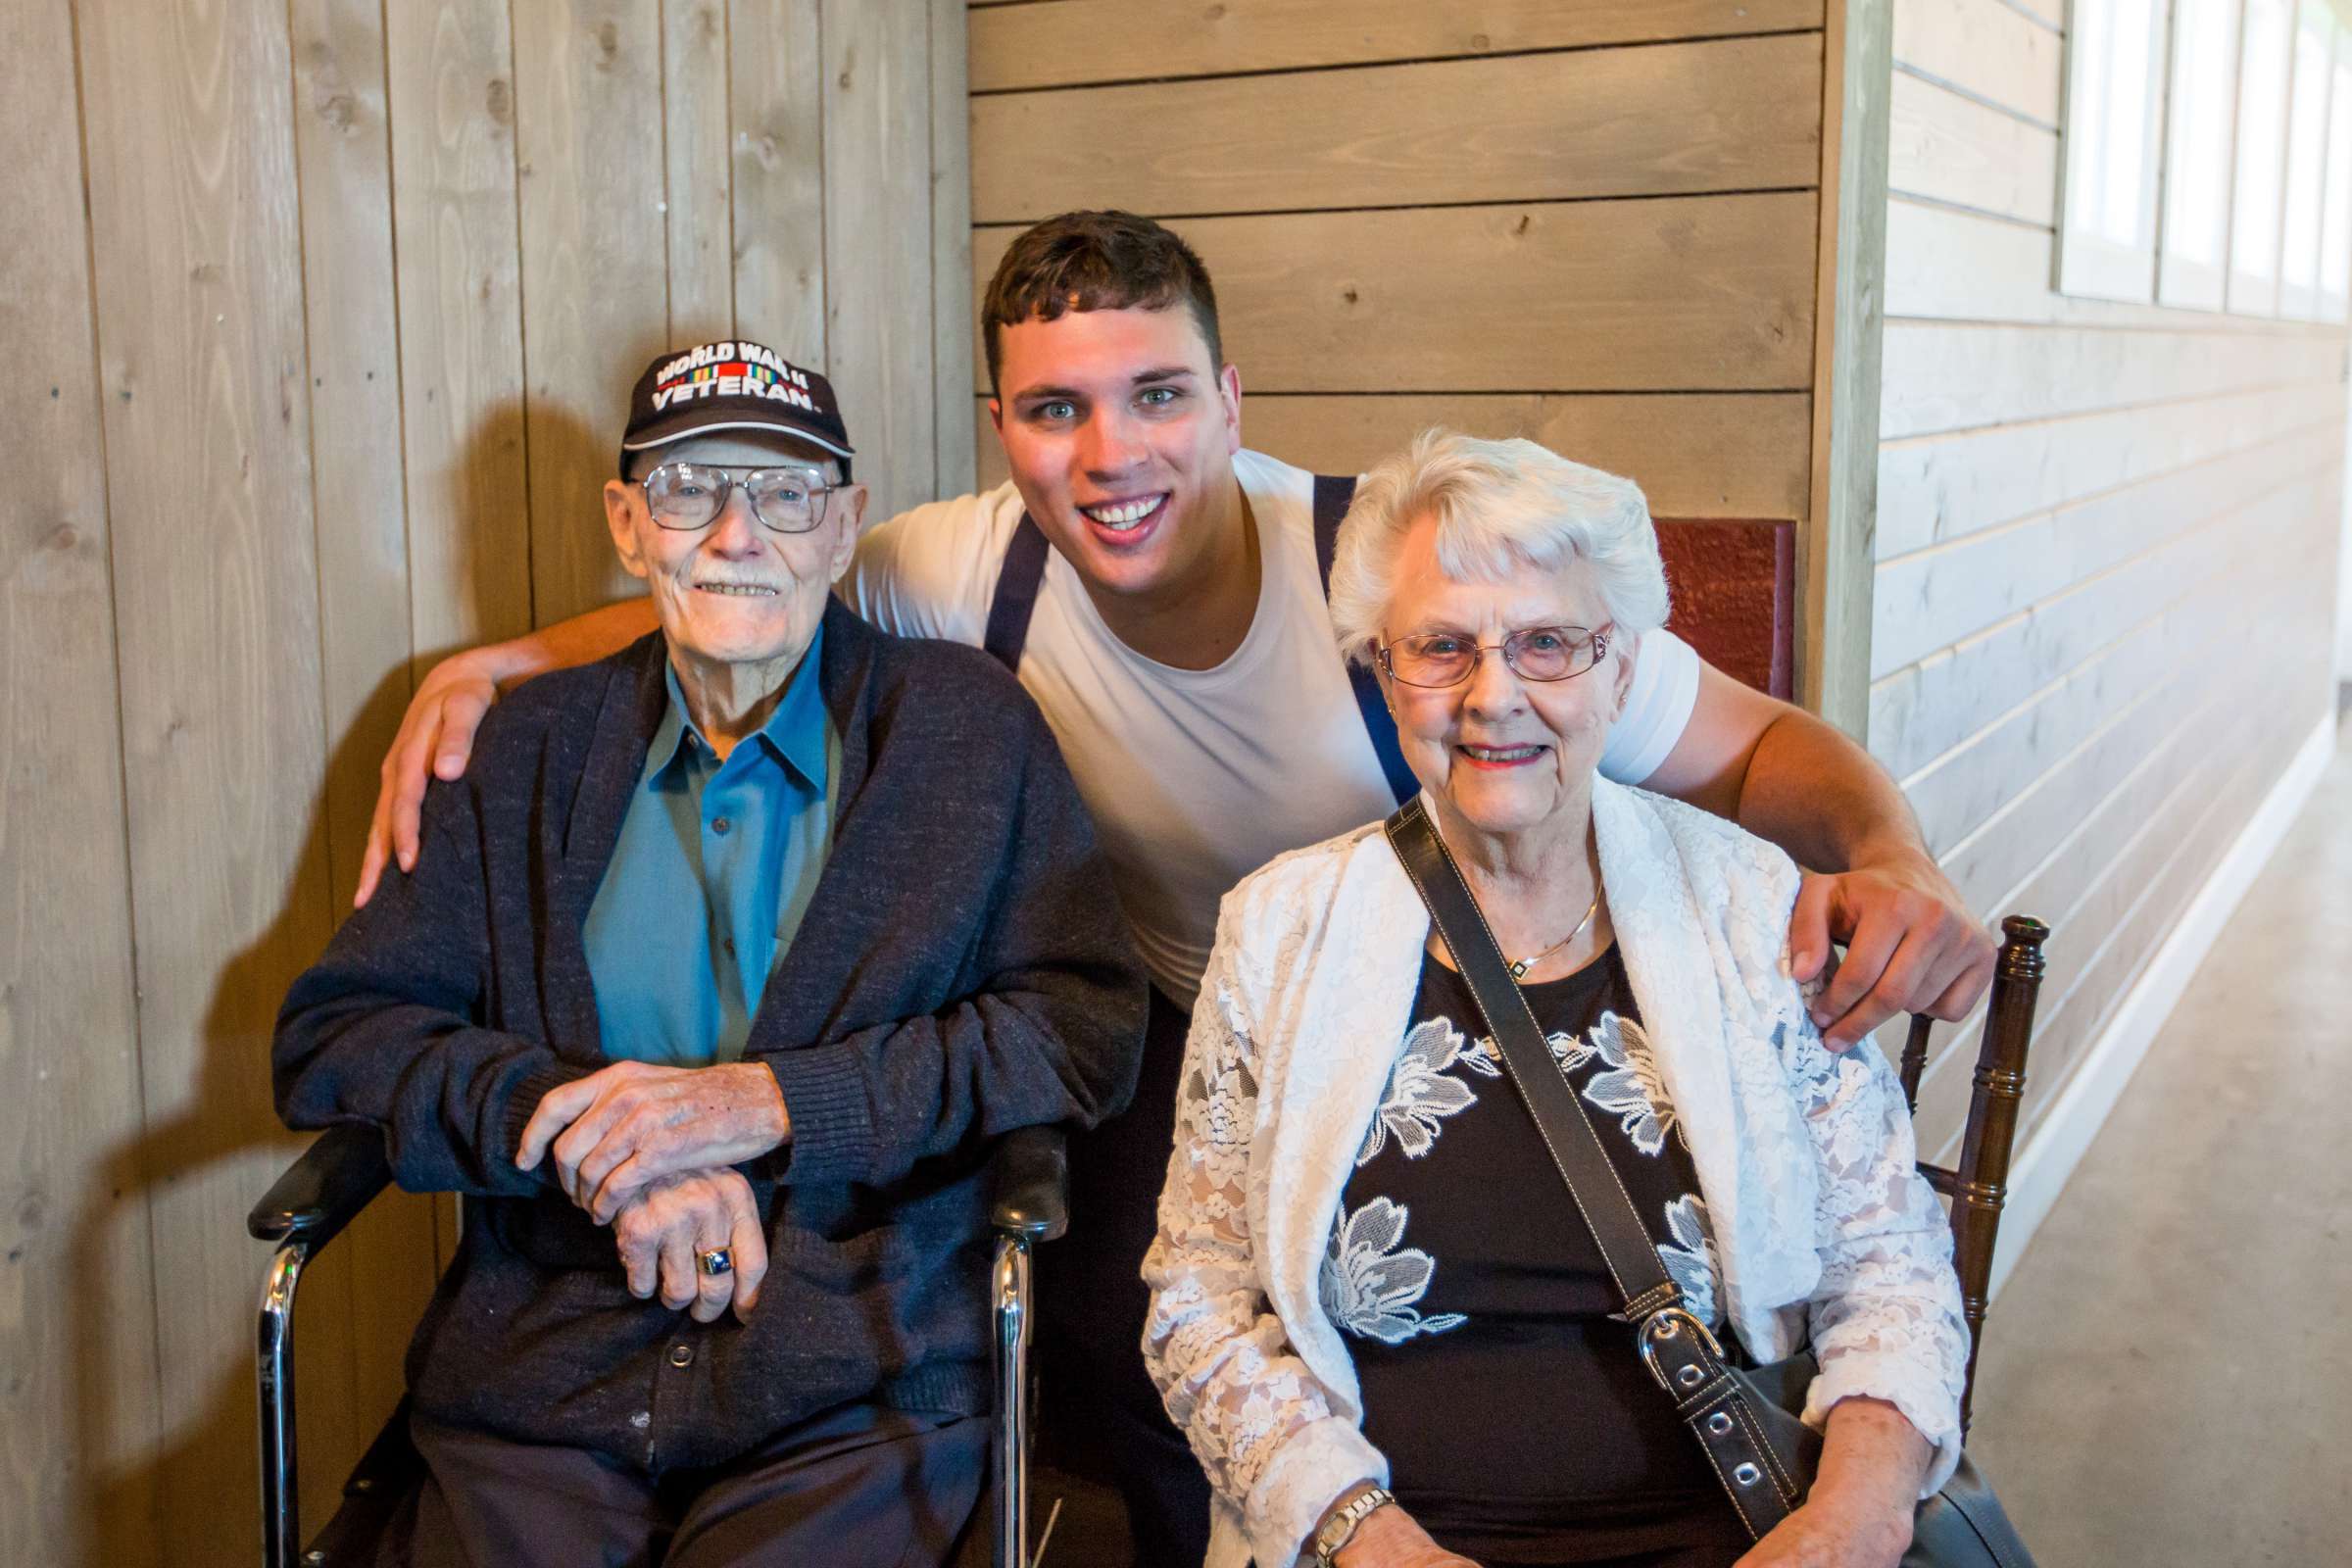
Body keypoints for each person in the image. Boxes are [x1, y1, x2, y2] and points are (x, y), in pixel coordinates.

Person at [348, 214, 1992, 1566]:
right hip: (1204, 1008)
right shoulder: (957, 573)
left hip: (1470, 977)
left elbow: (1760, 749)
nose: (1111, 451)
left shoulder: (1406, 581)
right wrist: (502, 669)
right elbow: (744, 585)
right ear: (1004, 429)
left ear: (1229, 400)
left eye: (1155, 396)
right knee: (1148, 1342)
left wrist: (1892, 851)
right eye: (1058, 410)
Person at [273, 342, 1147, 1567]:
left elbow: (1084, 1026)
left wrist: (771, 1106)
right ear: (631, 527)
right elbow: (338, 1037)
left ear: (844, 527)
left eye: (787, 493)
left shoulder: (964, 732)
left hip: (852, 1384)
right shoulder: (522, 752)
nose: (739, 534)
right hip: (541, 1383)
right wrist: (593, 1139)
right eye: (690, 488)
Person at [1144, 430, 1966, 1568]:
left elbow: (1892, 1261)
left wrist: (1850, 1519)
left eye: (1548, 643)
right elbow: (1197, 1302)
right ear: (1384, 672)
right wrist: (1363, 1538)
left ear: (1622, 668)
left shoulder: (1747, 906)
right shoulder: (1278, 930)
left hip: (1729, 1529)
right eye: (1441, 647)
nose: (1494, 696)